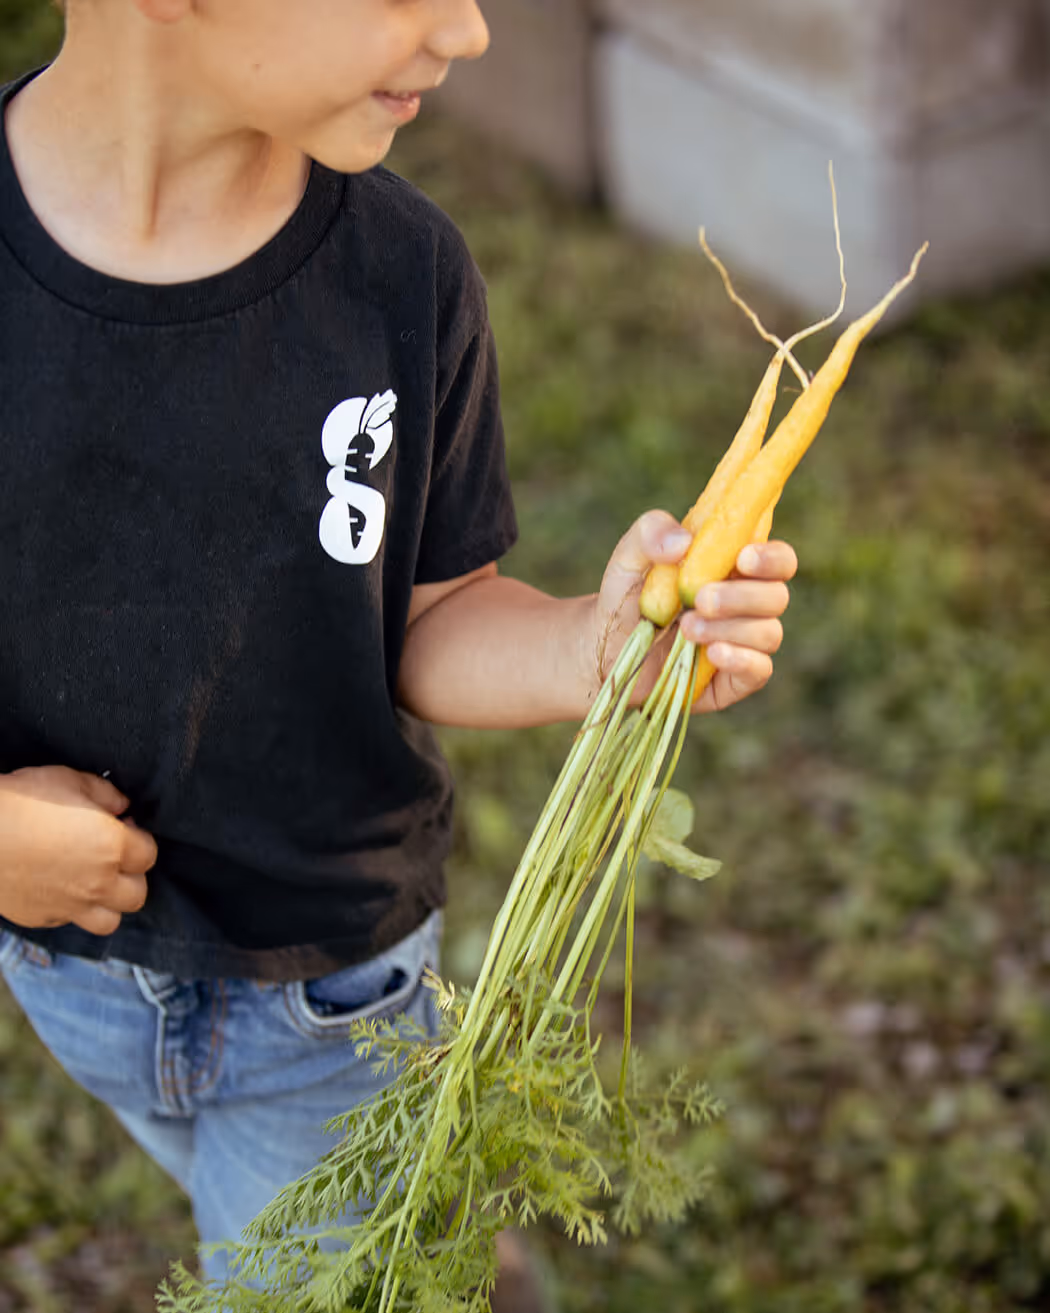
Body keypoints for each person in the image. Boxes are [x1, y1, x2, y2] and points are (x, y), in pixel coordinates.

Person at [0, 2, 798, 1309]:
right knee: (334, 1211)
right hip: (63, 975)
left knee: (304, 1271)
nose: (469, 30)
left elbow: (428, 617)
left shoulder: (400, 275)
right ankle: (441, 1223)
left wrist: (585, 652)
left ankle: (416, 1224)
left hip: (329, 999)